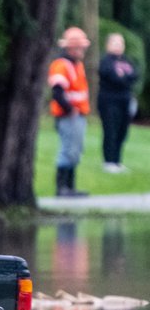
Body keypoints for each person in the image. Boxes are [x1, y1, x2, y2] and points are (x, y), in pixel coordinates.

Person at [49, 26, 92, 197]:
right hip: (68, 115)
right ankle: (62, 188)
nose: (82, 50)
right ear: (71, 48)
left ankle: (70, 187)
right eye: (80, 47)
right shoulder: (61, 65)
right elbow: (57, 92)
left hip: (78, 114)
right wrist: (69, 108)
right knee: (67, 150)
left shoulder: (77, 65)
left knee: (76, 150)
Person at [98, 32, 139, 173]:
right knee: (111, 130)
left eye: (121, 43)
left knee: (122, 131)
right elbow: (113, 77)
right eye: (115, 43)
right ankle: (108, 161)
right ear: (108, 45)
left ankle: (117, 160)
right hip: (109, 101)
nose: (118, 46)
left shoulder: (127, 61)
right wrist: (123, 78)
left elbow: (135, 75)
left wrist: (124, 77)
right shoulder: (106, 61)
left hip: (125, 100)